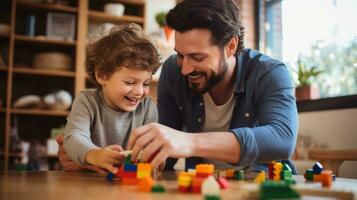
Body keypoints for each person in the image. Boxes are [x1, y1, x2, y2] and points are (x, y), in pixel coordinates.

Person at [126, 0, 298, 172]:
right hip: (201, 187)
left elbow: (282, 139)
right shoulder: (173, 71)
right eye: (180, 55)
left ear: (230, 46)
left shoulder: (269, 72)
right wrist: (132, 159)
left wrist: (189, 142)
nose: (185, 69)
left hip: (263, 186)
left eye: (198, 57)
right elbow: (167, 153)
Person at [60, 23, 160, 174]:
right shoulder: (86, 102)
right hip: (87, 183)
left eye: (146, 83)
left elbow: (153, 150)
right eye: (130, 82)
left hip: (130, 184)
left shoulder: (148, 108)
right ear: (101, 75)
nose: (139, 92)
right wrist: (94, 155)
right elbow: (73, 137)